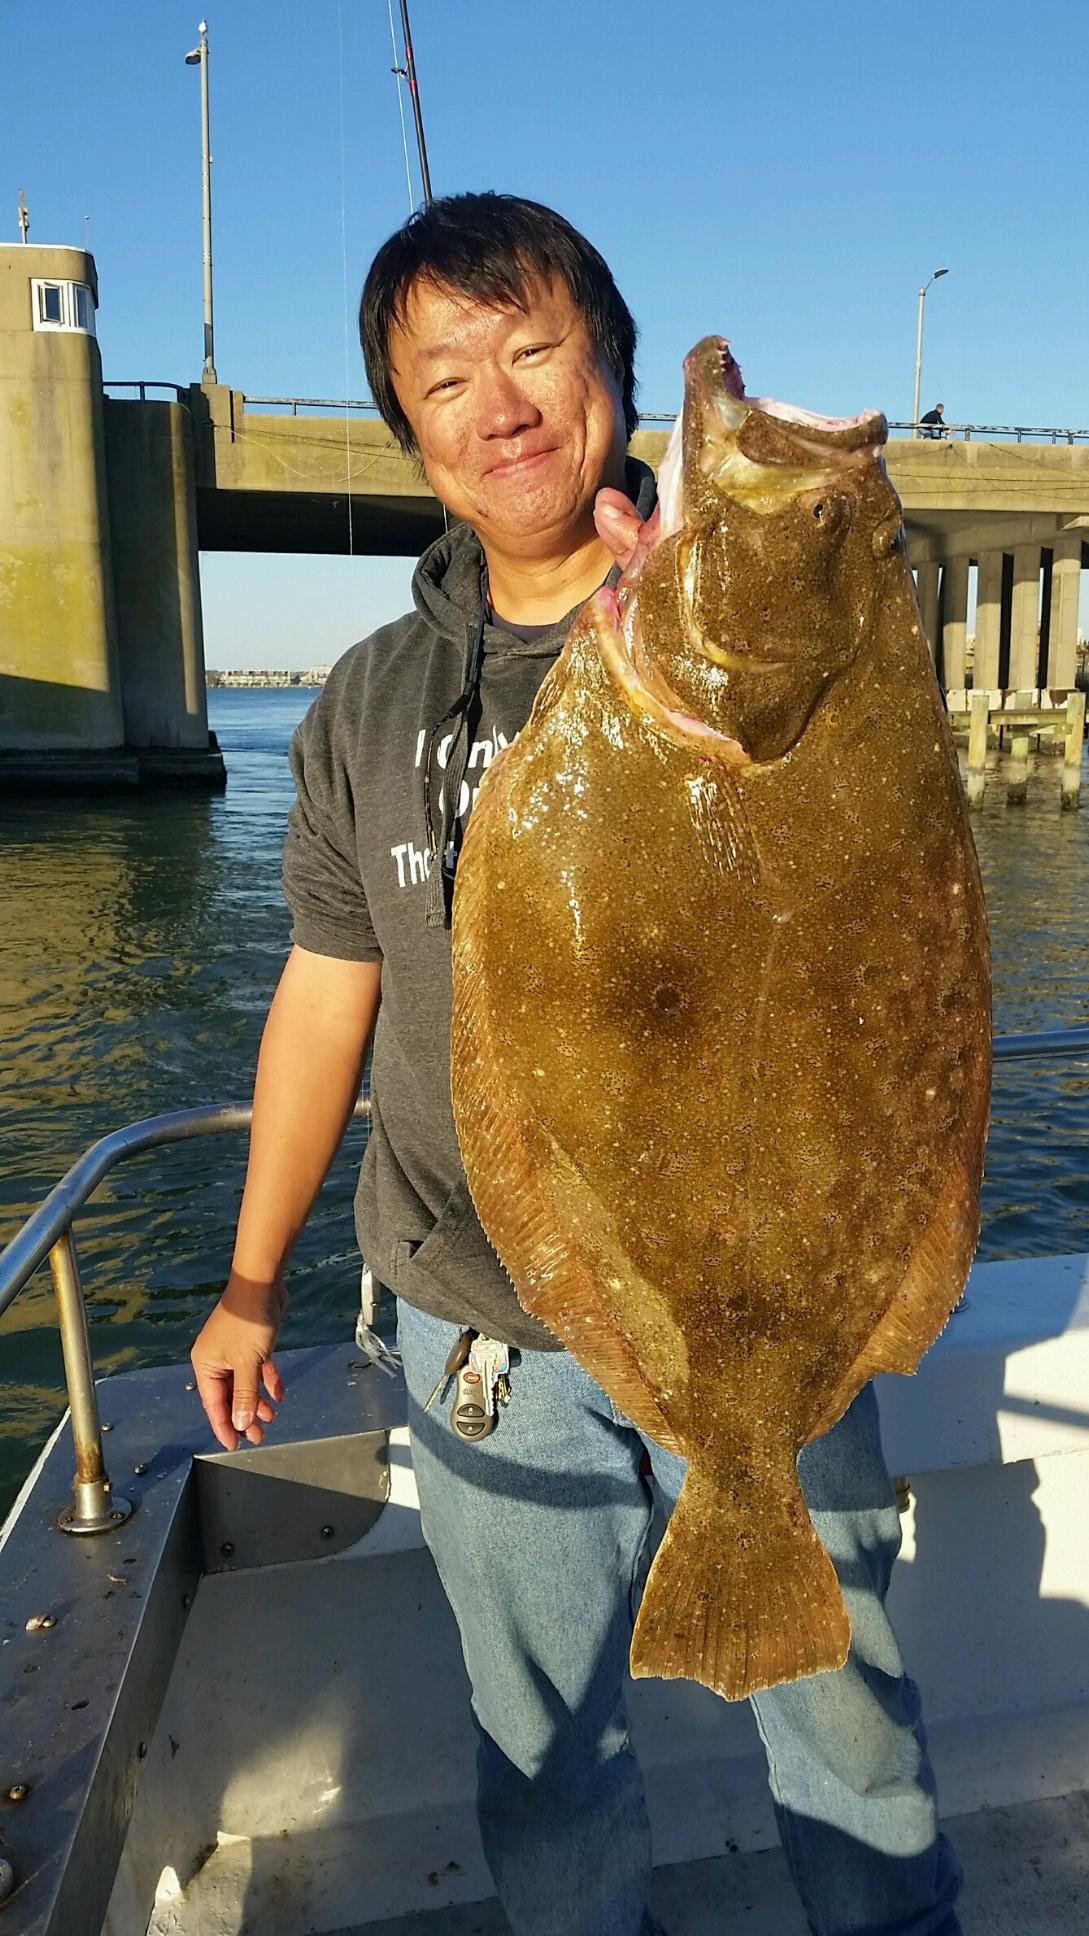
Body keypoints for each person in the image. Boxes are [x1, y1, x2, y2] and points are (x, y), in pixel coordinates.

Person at [190, 192, 963, 1936]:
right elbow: (327, 996)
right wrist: (249, 1280)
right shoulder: (370, 705)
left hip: (777, 1310)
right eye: (446, 376)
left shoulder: (776, 666)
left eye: (536, 348)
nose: (501, 401)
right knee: (540, 1751)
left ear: (608, 368)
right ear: (410, 438)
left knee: (848, 1725)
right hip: (477, 1321)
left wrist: (691, 598)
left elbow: (901, 929)